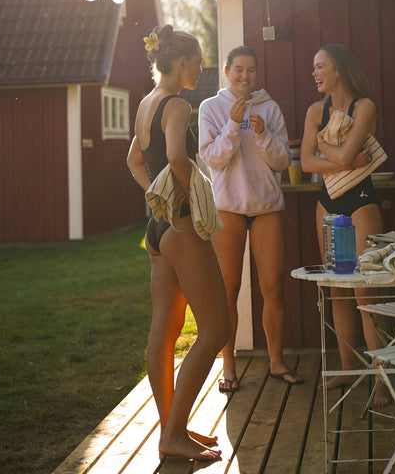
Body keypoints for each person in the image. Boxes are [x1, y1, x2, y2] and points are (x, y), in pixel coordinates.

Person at [126, 25, 230, 463]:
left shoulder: (147, 103)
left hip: (157, 230)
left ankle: (174, 429)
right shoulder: (178, 106)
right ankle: (173, 433)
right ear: (182, 62)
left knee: (164, 330)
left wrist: (156, 196)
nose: (202, 66)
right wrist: (194, 200)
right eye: (199, 59)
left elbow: (133, 158)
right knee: (216, 329)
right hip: (182, 227)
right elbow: (174, 156)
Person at [198, 46, 303, 392]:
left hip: (266, 207)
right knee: (228, 290)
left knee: (272, 288)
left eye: (252, 70)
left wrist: (262, 133)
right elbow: (212, 159)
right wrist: (232, 124)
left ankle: (275, 362)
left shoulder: (269, 108)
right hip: (228, 206)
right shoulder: (211, 108)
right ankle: (228, 365)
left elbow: (281, 161)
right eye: (239, 70)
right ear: (227, 71)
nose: (246, 76)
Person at [300, 43, 388, 405]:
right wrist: (344, 162)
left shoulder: (363, 106)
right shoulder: (314, 111)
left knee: (365, 291)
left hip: (361, 203)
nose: (315, 73)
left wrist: (332, 154)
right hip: (327, 203)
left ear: (339, 69)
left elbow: (341, 154)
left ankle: (382, 375)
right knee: (337, 289)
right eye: (314, 67)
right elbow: (306, 161)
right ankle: (347, 368)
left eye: (320, 66)